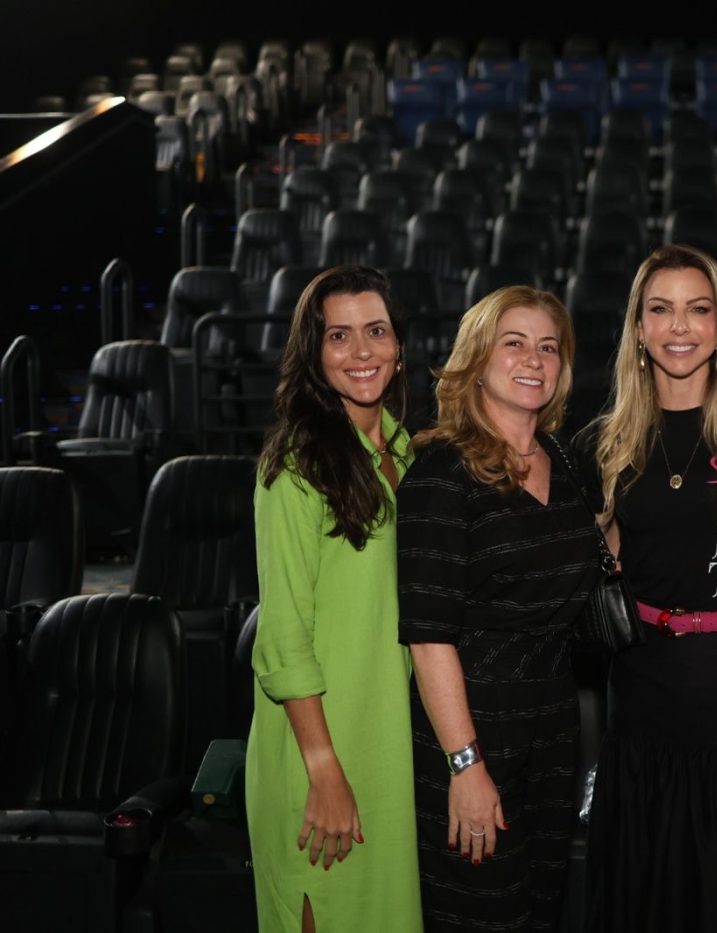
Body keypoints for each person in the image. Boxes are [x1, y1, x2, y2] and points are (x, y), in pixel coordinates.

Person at [576, 244, 717, 932]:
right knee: (647, 888)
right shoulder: (604, 445)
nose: (680, 326)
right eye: (660, 309)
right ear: (638, 328)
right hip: (640, 689)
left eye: (698, 309)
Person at [396, 286, 600, 932]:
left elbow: (589, 560)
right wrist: (466, 764)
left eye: (548, 346)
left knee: (540, 911)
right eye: (514, 342)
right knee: (479, 916)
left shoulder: (563, 461)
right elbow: (428, 638)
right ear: (478, 358)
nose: (533, 359)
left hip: (554, 736)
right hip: (473, 735)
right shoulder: (440, 470)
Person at [247, 265, 422, 933]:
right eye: (338, 336)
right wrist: (323, 769)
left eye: (376, 331)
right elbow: (283, 635)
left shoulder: (405, 453)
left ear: (399, 347)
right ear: (314, 354)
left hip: (385, 745)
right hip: (316, 748)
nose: (361, 352)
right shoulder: (293, 466)